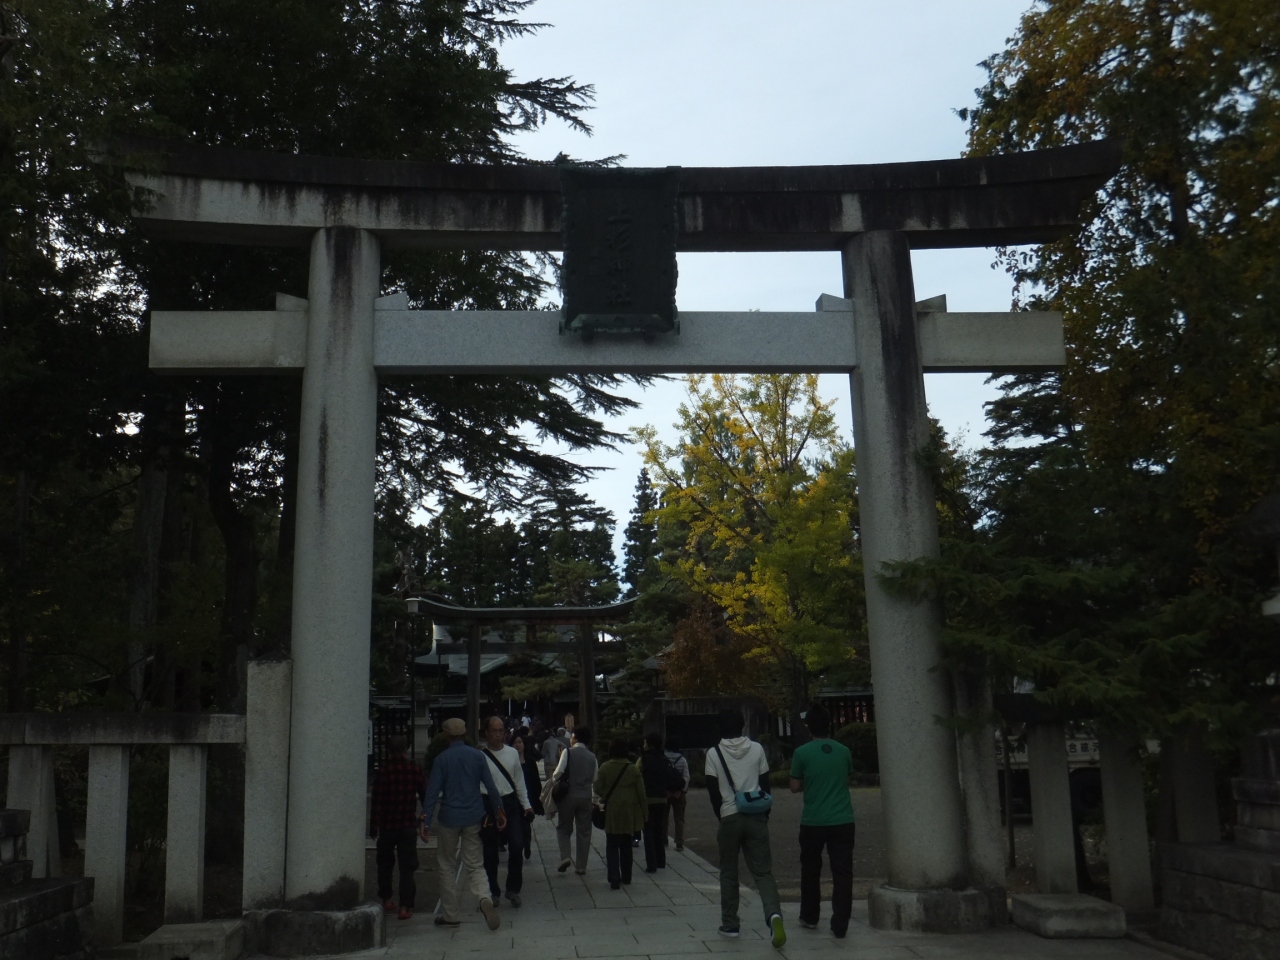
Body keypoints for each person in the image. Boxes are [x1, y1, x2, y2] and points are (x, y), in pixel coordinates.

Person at [705, 708, 785, 948]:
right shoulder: (757, 749)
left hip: (730, 816)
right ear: (742, 726)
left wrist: (722, 816)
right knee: (763, 872)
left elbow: (713, 793)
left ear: (720, 728)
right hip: (756, 816)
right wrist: (764, 815)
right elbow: (765, 786)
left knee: (729, 872)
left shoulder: (713, 753)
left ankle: (730, 924)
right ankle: (774, 915)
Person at [421, 717, 506, 931]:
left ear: (446, 735)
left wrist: (425, 821)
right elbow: (491, 787)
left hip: (449, 817)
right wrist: (499, 812)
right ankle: (484, 897)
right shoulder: (478, 756)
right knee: (475, 864)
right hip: (474, 816)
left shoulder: (441, 759)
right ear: (464, 734)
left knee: (446, 865)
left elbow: (432, 793)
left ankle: (451, 915)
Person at [789, 705, 855, 938]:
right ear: (829, 725)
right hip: (843, 818)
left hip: (814, 820)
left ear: (808, 726)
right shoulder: (843, 751)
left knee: (810, 869)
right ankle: (841, 924)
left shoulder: (801, 753)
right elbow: (847, 779)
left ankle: (810, 916)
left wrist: (811, 782)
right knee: (842, 872)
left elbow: (794, 786)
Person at [479, 716, 533, 908]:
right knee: (490, 851)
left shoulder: (512, 753)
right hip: (488, 804)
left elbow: (519, 781)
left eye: (501, 730)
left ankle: (513, 889)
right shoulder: (480, 756)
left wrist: (526, 805)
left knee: (517, 845)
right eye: (494, 730)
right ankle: (493, 890)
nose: (498, 734)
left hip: (510, 802)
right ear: (487, 733)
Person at [370, 735, 423, 920]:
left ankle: (386, 899)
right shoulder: (414, 770)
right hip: (407, 823)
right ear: (405, 749)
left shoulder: (383, 772)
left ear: (388, 750)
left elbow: (376, 801)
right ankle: (405, 906)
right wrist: (424, 819)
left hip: (387, 825)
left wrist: (374, 826)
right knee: (407, 867)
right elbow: (425, 794)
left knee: (385, 865)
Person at [594, 738, 648, 890]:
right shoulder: (633, 769)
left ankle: (614, 877)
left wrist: (606, 795)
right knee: (626, 845)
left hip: (611, 811)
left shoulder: (605, 767)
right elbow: (641, 793)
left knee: (611, 844)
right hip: (628, 811)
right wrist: (645, 812)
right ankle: (627, 876)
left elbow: (597, 788)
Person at [550, 726, 598, 874]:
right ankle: (581, 866)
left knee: (564, 828)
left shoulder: (568, 752)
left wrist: (553, 782)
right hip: (586, 797)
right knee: (584, 831)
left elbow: (558, 772)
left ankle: (565, 856)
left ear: (575, 737)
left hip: (569, 795)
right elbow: (595, 778)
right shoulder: (592, 756)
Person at [638, 732, 678, 872]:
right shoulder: (664, 759)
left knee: (648, 830)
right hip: (662, 798)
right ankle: (661, 860)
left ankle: (651, 864)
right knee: (658, 829)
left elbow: (636, 776)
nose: (644, 745)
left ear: (650, 744)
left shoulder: (643, 760)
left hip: (647, 798)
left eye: (645, 742)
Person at [513, 730, 544, 859]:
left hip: (528, 796)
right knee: (516, 825)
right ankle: (518, 845)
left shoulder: (530, 762)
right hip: (514, 798)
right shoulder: (510, 762)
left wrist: (538, 799)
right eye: (515, 743)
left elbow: (536, 781)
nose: (518, 745)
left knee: (526, 825)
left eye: (520, 742)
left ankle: (526, 845)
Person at [665, 736, 691, 852]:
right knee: (679, 819)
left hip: (665, 793)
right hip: (679, 794)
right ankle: (679, 842)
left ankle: (664, 839)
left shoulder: (663, 758)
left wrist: (665, 790)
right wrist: (681, 791)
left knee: (664, 818)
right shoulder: (682, 759)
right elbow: (686, 777)